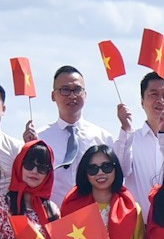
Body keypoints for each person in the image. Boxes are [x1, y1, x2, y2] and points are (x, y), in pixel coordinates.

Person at [41, 65, 114, 206]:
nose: (72, 96)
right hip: (53, 216)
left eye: (77, 90)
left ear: (85, 95)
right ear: (53, 95)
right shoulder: (41, 138)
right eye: (65, 90)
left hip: (94, 217)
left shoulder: (103, 137)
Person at [115, 71, 164, 205]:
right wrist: (125, 129)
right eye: (153, 94)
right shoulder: (129, 139)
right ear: (142, 102)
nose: (161, 100)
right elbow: (119, 172)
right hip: (139, 224)